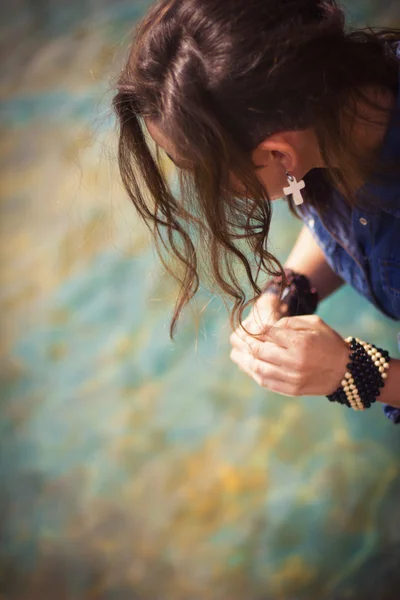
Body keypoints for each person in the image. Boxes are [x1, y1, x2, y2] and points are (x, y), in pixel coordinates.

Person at [113, 0, 400, 422]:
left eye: (201, 170)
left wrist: (355, 372)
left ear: (278, 153)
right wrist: (290, 290)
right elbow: (353, 226)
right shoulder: (333, 120)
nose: (206, 187)